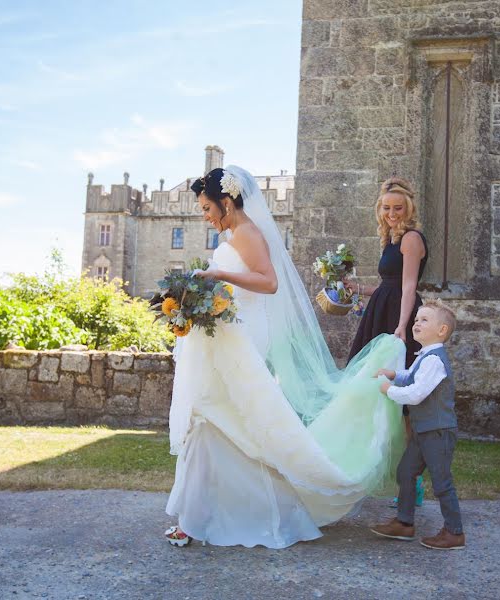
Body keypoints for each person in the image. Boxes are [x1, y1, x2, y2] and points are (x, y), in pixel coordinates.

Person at [164, 166, 407, 548]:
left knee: (213, 415)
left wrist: (218, 276)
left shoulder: (248, 234)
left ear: (227, 202)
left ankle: (199, 518)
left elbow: (268, 281)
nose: (204, 214)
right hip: (226, 331)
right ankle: (199, 515)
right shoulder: (233, 233)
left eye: (207, 207)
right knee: (210, 419)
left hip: (243, 335)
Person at [344, 177, 428, 507]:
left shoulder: (411, 239)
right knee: (369, 388)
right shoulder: (390, 240)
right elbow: (387, 285)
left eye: (398, 208)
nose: (391, 213)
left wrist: (403, 328)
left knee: (404, 406)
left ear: (408, 209)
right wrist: (357, 289)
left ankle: (412, 484)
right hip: (382, 311)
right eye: (386, 208)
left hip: (399, 318)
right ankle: (361, 467)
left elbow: (408, 288)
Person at [373, 299, 465, 550]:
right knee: (406, 471)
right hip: (423, 430)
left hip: (437, 431)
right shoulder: (424, 356)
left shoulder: (435, 360)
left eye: (424, 320)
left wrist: (389, 390)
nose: (416, 323)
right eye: (416, 320)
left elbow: (415, 393)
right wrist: (394, 375)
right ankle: (404, 523)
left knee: (441, 481)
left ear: (442, 331)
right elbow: (411, 377)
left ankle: (454, 532)